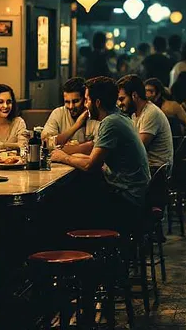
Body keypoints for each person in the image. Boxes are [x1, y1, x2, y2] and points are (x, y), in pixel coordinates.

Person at [51, 77, 150, 227]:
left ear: (97, 103)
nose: (85, 104)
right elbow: (95, 158)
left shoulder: (110, 123)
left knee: (63, 201)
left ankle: (78, 246)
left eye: (86, 100)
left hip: (127, 198)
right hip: (135, 192)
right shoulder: (120, 117)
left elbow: (91, 165)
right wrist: (72, 156)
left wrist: (63, 157)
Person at [117, 74, 173, 173]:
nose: (119, 103)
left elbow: (137, 148)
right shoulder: (135, 113)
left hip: (155, 171)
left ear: (134, 95)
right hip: (144, 167)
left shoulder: (151, 113)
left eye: (122, 99)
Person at [42, 77, 98, 154]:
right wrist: (77, 125)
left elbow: (95, 147)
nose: (71, 106)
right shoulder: (58, 113)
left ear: (85, 100)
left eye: (75, 101)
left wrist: (61, 148)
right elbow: (45, 142)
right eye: (67, 102)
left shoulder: (95, 116)